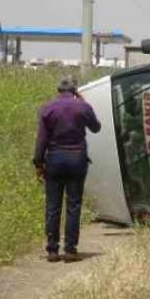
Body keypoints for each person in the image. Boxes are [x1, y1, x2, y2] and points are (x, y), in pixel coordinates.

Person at [33, 75, 101, 262]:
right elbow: (96, 128)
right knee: (73, 204)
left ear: (58, 91)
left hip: (54, 159)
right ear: (74, 91)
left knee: (53, 206)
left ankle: (53, 250)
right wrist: (84, 102)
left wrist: (39, 164)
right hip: (77, 159)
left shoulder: (47, 108)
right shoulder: (83, 107)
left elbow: (41, 140)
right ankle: (70, 249)